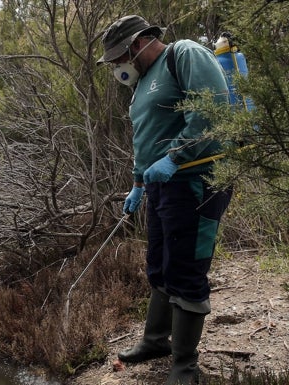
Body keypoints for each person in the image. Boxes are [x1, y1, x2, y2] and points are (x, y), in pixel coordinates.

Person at [96, 15, 233, 385]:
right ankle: (156, 341)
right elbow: (146, 138)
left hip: (195, 182)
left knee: (187, 269)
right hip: (160, 189)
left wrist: (174, 158)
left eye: (116, 58)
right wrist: (138, 183)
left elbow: (210, 112)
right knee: (159, 265)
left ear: (136, 45)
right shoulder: (141, 85)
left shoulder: (183, 54)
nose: (115, 67)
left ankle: (185, 365)